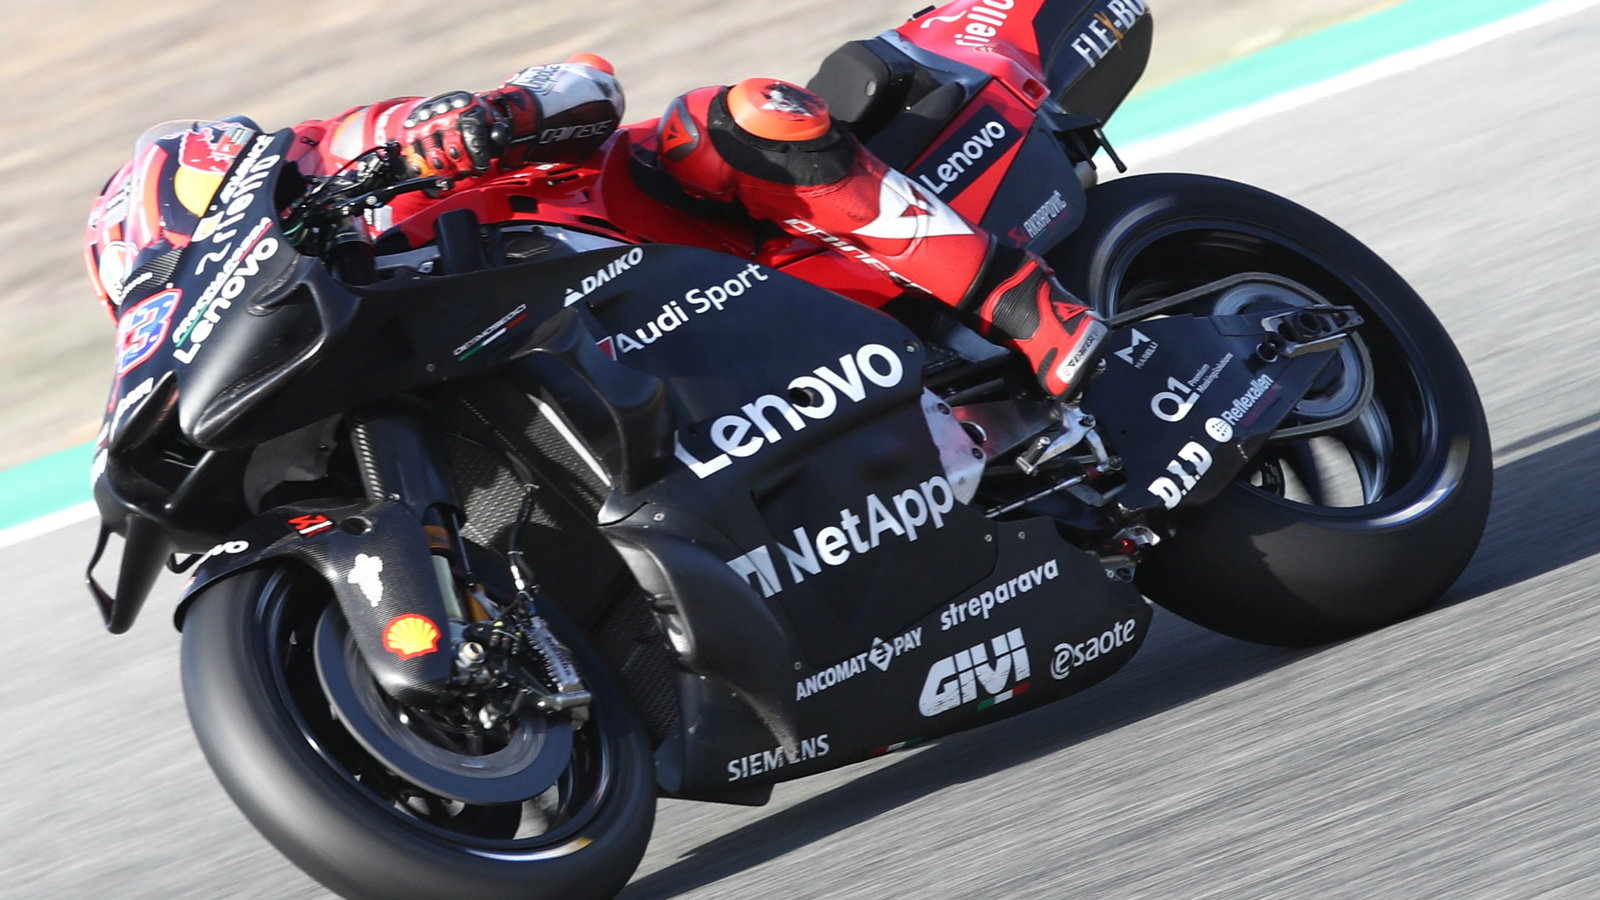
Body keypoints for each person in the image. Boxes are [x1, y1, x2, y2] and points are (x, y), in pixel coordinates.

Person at [87, 56, 1108, 402]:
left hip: (725, 247)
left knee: (740, 116)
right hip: (638, 376)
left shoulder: (350, 152)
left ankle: (1031, 310)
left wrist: (492, 116)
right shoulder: (321, 329)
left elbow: (585, 83)